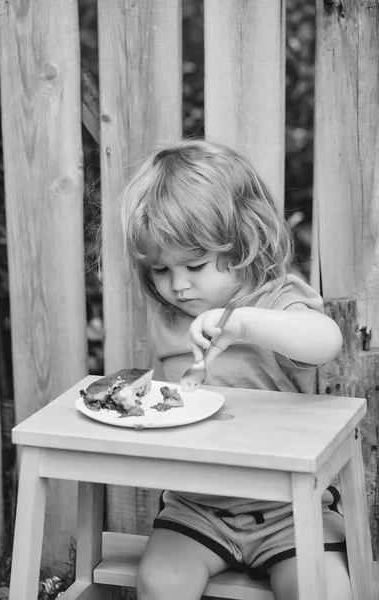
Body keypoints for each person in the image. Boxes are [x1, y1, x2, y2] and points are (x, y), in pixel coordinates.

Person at [119, 139, 351, 600]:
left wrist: (245, 324)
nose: (178, 285)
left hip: (289, 507)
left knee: (320, 589)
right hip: (198, 506)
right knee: (158, 581)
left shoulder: (274, 301)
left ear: (244, 239)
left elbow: (326, 341)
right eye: (161, 270)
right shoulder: (169, 319)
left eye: (195, 264)